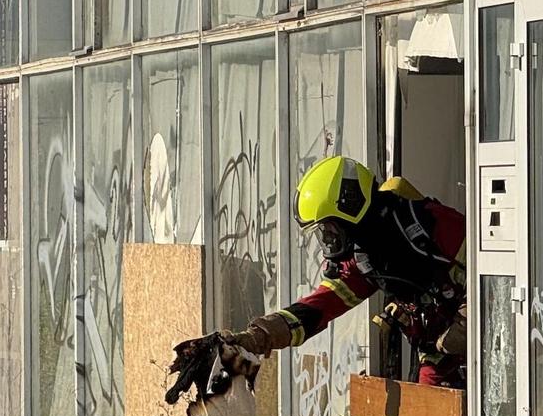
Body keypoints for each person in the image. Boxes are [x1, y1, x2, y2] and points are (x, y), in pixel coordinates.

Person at [184, 156, 468, 387]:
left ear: (352, 207)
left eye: (330, 228)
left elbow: (497, 270)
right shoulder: (364, 260)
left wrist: (469, 321)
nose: (328, 239)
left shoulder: (428, 224)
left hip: (491, 331)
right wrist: (258, 337)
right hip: (439, 351)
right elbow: (318, 308)